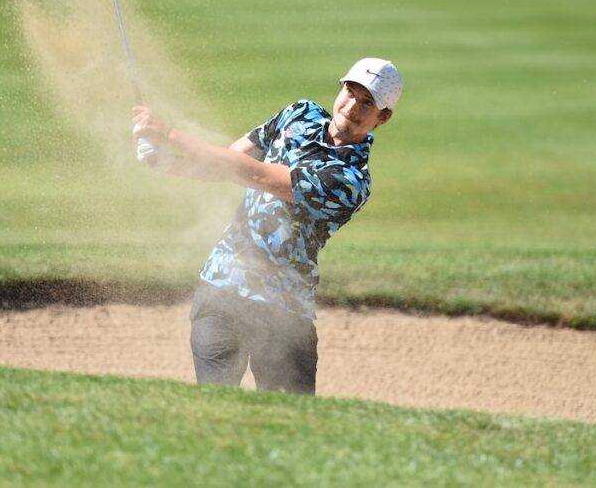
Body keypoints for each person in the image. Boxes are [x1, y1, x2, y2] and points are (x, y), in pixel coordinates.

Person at [130, 57, 402, 394]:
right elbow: (228, 163)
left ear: (383, 116)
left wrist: (170, 133)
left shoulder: (350, 181)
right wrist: (167, 161)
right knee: (215, 409)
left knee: (290, 425)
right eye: (350, 92)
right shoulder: (299, 114)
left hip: (283, 315)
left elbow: (257, 175)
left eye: (367, 102)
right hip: (223, 288)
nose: (352, 106)